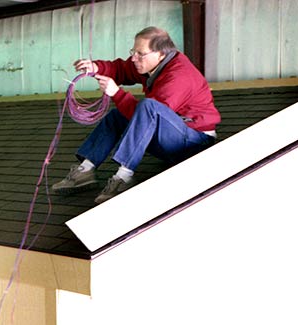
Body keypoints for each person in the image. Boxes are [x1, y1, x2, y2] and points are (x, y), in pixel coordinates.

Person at [51, 26, 220, 203]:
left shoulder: (179, 76)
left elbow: (149, 116)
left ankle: (124, 177)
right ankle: (85, 170)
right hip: (170, 138)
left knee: (147, 106)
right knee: (117, 116)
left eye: (140, 54)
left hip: (194, 144)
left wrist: (116, 93)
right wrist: (96, 67)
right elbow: (122, 69)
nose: (134, 58)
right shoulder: (153, 65)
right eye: (133, 52)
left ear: (161, 54)